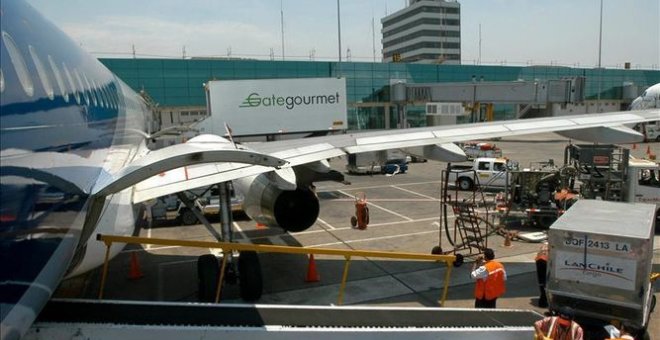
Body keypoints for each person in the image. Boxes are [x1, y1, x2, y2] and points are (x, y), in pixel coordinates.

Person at [535, 242, 549, 308]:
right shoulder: (553, 244)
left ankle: (543, 300)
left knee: (541, 282)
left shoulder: (544, 245)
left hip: (539, 260)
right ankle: (543, 301)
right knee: (546, 283)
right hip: (545, 261)